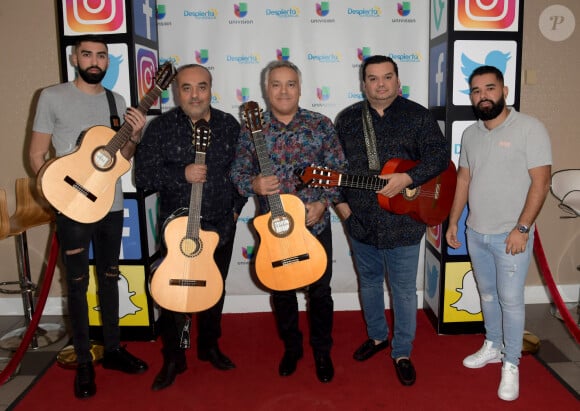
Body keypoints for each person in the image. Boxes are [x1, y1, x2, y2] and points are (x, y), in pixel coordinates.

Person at [29, 34, 148, 399]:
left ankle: (112, 350)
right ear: (74, 57)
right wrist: (60, 197)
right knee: (77, 286)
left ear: (108, 61)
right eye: (87, 54)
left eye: (101, 55)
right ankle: (83, 361)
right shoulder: (52, 97)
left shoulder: (119, 102)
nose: (94, 61)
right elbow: (37, 155)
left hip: (111, 206)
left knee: (110, 278)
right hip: (72, 209)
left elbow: (121, 158)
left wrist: (135, 134)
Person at [334, 55, 449, 386]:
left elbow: (440, 157)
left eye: (387, 77)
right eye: (373, 78)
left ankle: (401, 351)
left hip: (406, 221)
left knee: (402, 289)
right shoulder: (347, 120)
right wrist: (345, 213)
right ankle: (377, 337)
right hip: (361, 220)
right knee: (368, 282)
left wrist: (408, 178)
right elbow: (334, 172)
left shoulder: (417, 116)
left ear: (398, 81)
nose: (380, 84)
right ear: (363, 83)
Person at [230, 60, 347, 383]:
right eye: (276, 84)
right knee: (282, 292)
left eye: (290, 84)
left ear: (300, 87)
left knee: (320, 293)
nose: (284, 91)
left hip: (315, 224)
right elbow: (237, 172)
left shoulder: (320, 124)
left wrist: (324, 203)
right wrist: (253, 184)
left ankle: (322, 351)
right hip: (275, 229)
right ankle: (292, 348)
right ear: (266, 90)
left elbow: (338, 170)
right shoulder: (252, 129)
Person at [134, 64, 247, 391]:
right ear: (176, 91)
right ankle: (174, 356)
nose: (195, 94)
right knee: (173, 294)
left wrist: (236, 211)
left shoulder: (229, 125)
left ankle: (210, 346)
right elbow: (143, 176)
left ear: (211, 88)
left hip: (221, 224)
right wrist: (180, 174)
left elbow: (241, 173)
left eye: (201, 87)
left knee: (215, 288)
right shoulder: (161, 127)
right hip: (177, 228)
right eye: (186, 88)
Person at [445, 65, 551, 401]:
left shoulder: (529, 128)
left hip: (512, 237)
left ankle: (511, 363)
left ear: (504, 90)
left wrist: (522, 228)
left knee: (511, 300)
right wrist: (453, 222)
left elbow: (541, 181)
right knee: (487, 295)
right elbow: (463, 180)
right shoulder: (471, 134)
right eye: (475, 91)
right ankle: (492, 344)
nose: (482, 96)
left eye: (489, 88)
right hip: (476, 233)